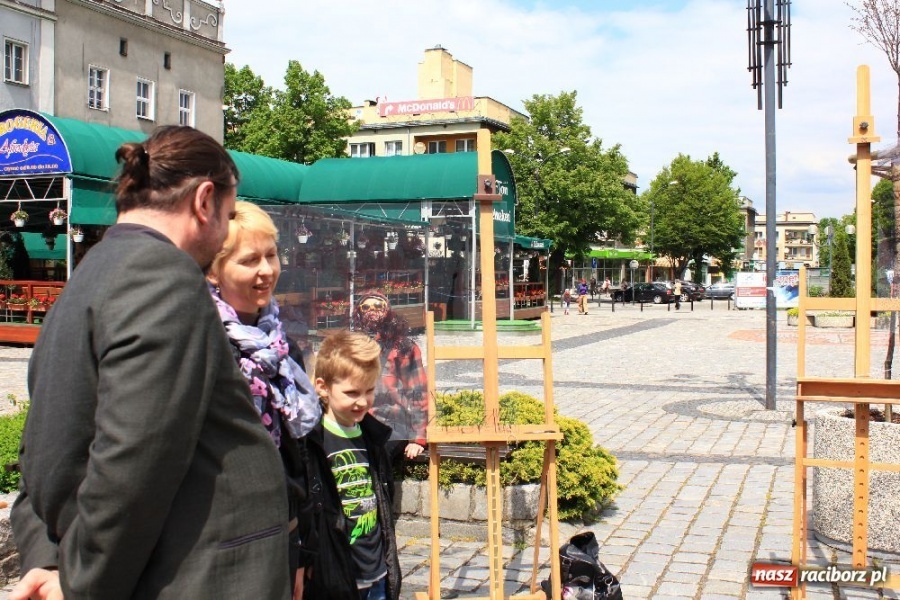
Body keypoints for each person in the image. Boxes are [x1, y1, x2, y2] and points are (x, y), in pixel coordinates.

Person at [11, 126, 294, 600]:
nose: (222, 231)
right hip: (193, 577)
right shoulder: (165, 278)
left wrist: (48, 554)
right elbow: (133, 461)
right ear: (205, 201)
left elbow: (45, 446)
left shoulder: (90, 273)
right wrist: (81, 581)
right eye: (226, 215)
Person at [207, 201, 322, 599]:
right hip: (222, 540)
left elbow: (299, 454)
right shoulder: (202, 339)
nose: (266, 271)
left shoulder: (279, 339)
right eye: (249, 260)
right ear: (213, 269)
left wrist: (301, 546)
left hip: (282, 528)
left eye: (271, 255)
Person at [307, 330, 401, 600]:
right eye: (351, 393)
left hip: (377, 574)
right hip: (336, 575)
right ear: (323, 387)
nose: (362, 402)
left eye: (369, 391)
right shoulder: (313, 440)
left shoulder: (372, 437)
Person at [351, 291, 427, 462]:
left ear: (388, 312)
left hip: (392, 424)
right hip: (357, 423)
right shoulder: (351, 346)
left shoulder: (403, 348)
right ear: (359, 312)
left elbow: (418, 393)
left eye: (378, 306)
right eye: (366, 307)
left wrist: (418, 439)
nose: (372, 310)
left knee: (375, 459)